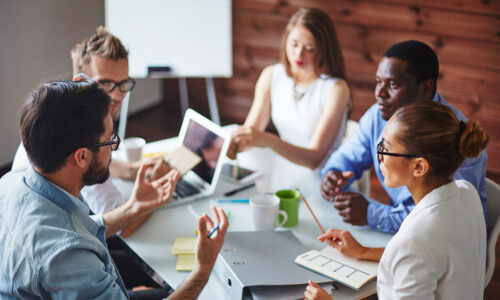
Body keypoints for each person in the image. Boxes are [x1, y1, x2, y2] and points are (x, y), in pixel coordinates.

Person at [0, 80, 228, 300]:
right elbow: (68, 243)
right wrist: (202, 270)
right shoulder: (69, 258)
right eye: (110, 140)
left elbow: (75, 228)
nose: (113, 149)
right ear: (82, 156)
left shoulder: (12, 181)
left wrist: (134, 207)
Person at [304, 101, 488, 299]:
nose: (379, 156)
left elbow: (416, 252)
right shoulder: (467, 193)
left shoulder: (414, 242)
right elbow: (429, 258)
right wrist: (362, 251)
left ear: (419, 167)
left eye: (385, 148)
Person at [12, 27, 169, 237]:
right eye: (105, 83)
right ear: (80, 81)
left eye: (123, 83)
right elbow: (122, 226)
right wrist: (156, 193)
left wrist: (132, 170)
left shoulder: (53, 117)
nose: (117, 95)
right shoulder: (83, 136)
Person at [320, 40, 488, 233]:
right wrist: (333, 173)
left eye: (393, 84)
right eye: (378, 82)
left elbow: (446, 219)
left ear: (425, 88)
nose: (379, 93)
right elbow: (348, 156)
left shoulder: (456, 137)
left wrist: (372, 214)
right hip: (407, 235)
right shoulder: (377, 115)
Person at [228, 7, 351, 169]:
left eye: (309, 49)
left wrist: (267, 140)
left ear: (324, 50)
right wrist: (232, 145)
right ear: (285, 40)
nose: (299, 55)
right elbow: (252, 131)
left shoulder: (336, 89)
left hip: (325, 176)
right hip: (286, 167)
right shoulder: (272, 75)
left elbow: (314, 159)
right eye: (294, 44)